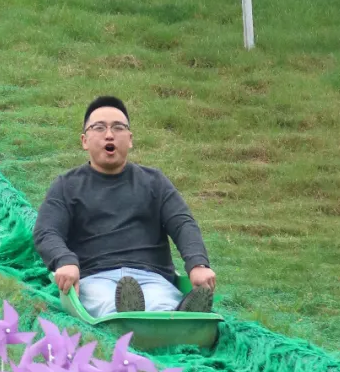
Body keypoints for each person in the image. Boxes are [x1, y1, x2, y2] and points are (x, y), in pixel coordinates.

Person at [33, 95, 216, 318]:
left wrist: (198, 264)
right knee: (108, 305)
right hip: (94, 277)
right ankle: (133, 317)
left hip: (152, 276)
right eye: (99, 127)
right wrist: (65, 261)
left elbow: (182, 223)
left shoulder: (154, 182)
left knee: (161, 304)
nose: (109, 134)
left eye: (118, 128)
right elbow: (46, 231)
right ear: (84, 140)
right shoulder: (66, 185)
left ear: (129, 139)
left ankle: (177, 315)